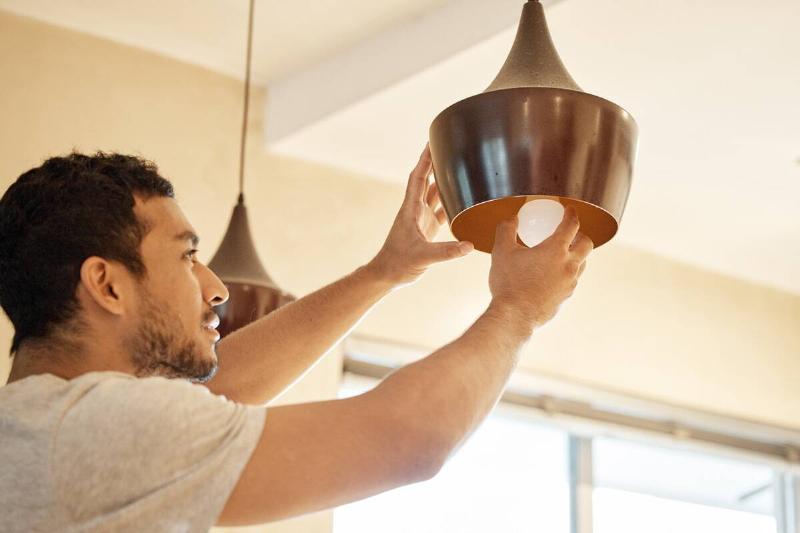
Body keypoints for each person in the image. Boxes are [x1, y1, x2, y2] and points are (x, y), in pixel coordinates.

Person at [0, 146, 592, 532]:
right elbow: (408, 439)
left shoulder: (39, 424)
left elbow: (223, 388)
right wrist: (518, 310)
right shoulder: (95, 427)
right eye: (186, 256)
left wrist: (385, 270)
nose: (215, 289)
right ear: (106, 285)